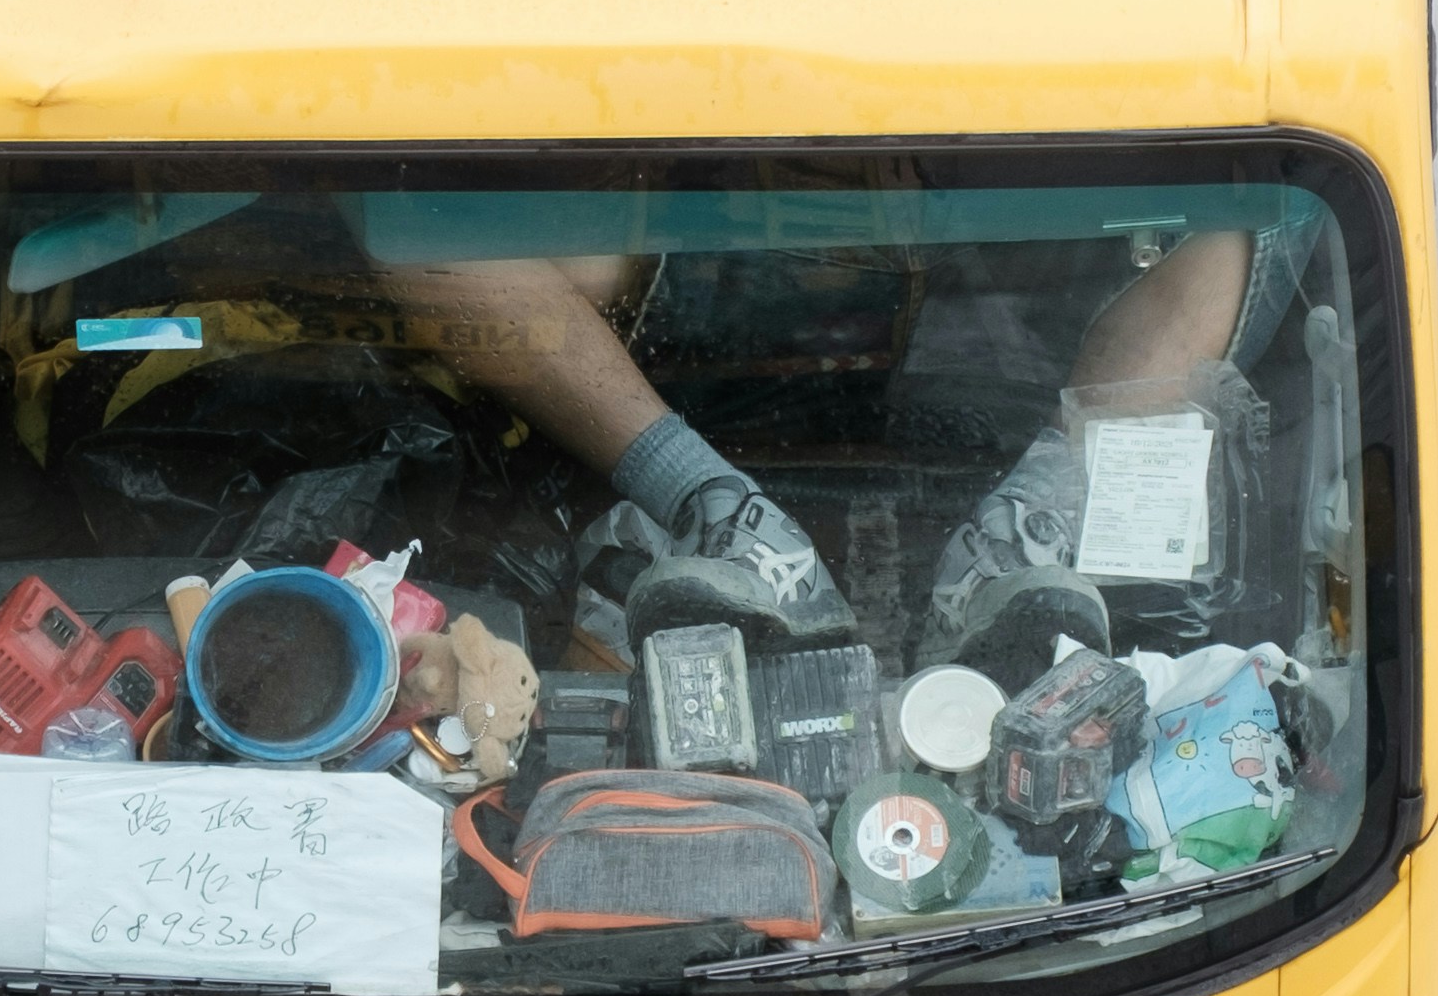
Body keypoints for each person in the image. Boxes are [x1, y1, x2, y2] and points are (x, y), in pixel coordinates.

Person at [362, 226, 1253, 666]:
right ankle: (717, 506)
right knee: (426, 225)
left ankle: (1022, 531)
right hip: (729, 211)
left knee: (1236, 214)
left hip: (984, 219)